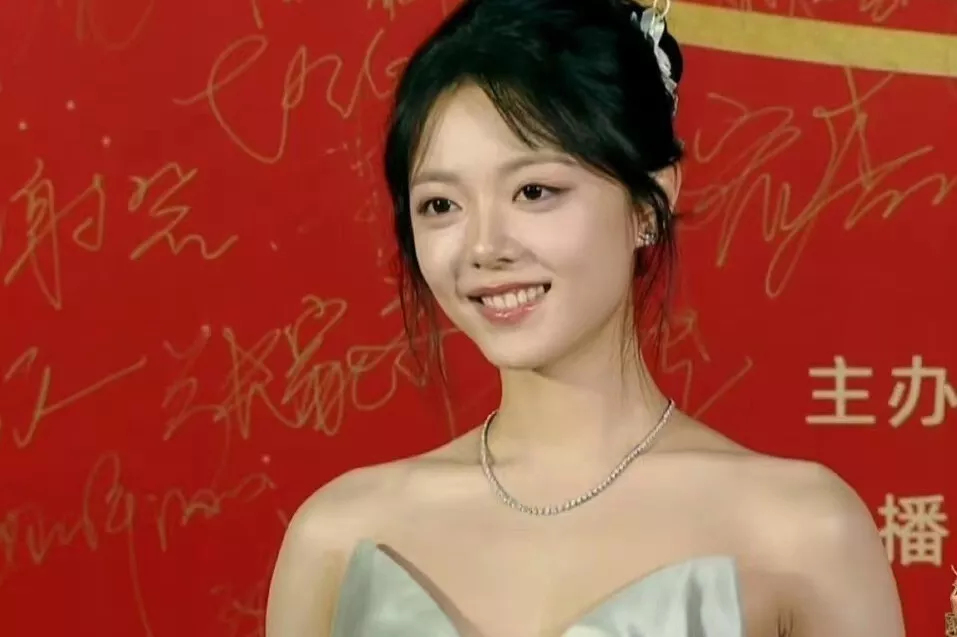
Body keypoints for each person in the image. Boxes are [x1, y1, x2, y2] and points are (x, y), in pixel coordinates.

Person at [264, 0, 905, 635]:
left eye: (533, 191)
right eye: (440, 205)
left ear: (649, 203)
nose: (484, 247)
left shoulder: (801, 534)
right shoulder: (338, 537)